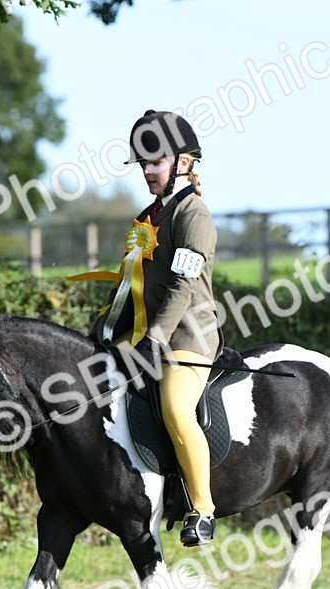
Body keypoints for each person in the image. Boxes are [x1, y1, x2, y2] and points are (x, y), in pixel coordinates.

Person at [71, 109, 223, 547]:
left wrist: (156, 336)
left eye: (155, 163)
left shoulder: (193, 215)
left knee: (176, 407)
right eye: (143, 165)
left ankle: (203, 509)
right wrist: (103, 328)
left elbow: (182, 283)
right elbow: (129, 284)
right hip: (142, 336)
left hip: (186, 338)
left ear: (184, 162)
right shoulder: (148, 217)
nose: (148, 173)